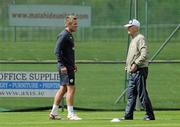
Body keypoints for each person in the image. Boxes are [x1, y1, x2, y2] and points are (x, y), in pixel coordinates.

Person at [49, 15, 81, 120]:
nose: (77, 26)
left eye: (77, 24)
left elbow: (67, 52)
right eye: (74, 24)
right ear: (68, 24)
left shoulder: (69, 35)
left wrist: (73, 64)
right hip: (65, 67)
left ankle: (53, 113)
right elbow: (56, 51)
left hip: (68, 66)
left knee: (63, 89)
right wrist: (62, 65)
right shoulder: (64, 35)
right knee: (71, 88)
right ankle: (70, 114)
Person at [122, 19, 155, 120]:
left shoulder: (140, 38)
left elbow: (144, 54)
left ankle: (149, 115)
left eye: (130, 26)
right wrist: (128, 66)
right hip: (133, 71)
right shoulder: (134, 39)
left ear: (136, 28)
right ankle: (128, 115)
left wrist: (136, 64)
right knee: (131, 95)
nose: (128, 28)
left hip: (140, 70)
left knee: (142, 94)